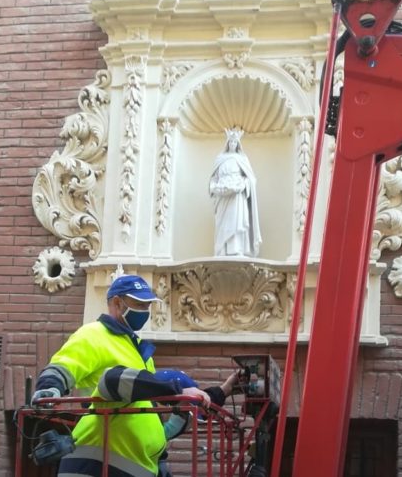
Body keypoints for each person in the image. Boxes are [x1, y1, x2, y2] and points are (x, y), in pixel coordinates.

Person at [31, 274, 211, 477]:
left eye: (147, 306)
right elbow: (65, 364)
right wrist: (49, 387)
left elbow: (143, 405)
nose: (145, 311)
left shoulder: (139, 352)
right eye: (140, 304)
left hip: (132, 463)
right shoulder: (94, 334)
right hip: (99, 461)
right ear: (117, 303)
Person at [209, 127, 262, 257]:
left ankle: (237, 249)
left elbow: (251, 179)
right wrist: (214, 186)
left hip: (238, 196)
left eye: (235, 142)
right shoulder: (220, 159)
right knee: (223, 223)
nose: (232, 144)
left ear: (238, 144)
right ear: (227, 143)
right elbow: (214, 178)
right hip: (223, 196)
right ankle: (222, 250)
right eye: (231, 142)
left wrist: (243, 185)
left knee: (236, 222)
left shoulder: (242, 159)